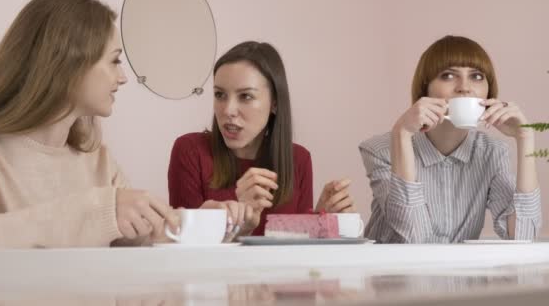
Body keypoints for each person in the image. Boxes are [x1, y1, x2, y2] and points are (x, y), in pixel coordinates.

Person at [0, 0, 179, 249]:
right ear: (69, 63)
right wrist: (96, 212)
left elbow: (136, 243)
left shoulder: (97, 160)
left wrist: (194, 224)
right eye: (115, 61)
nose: (122, 77)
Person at [360, 35, 542, 243]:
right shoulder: (380, 150)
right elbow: (415, 237)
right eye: (447, 76)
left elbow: (523, 235)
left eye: (476, 76)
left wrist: (525, 136)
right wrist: (401, 134)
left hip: (459, 274)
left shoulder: (493, 152)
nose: (464, 87)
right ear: (424, 89)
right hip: (393, 274)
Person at [168, 41, 355, 236]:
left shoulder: (298, 159)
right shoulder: (189, 150)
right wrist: (239, 214)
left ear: (274, 103)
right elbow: (185, 248)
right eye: (220, 94)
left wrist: (320, 220)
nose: (228, 110)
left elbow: (293, 255)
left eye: (245, 96)